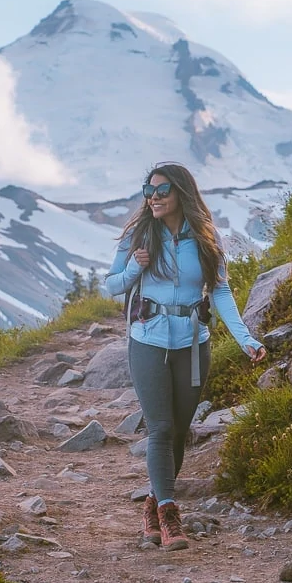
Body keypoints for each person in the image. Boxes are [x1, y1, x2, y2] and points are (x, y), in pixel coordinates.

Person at [104, 162, 266, 551]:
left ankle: (152, 505)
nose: (154, 198)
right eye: (149, 191)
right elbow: (110, 286)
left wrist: (245, 338)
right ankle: (170, 513)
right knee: (159, 429)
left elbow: (221, 291)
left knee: (179, 429)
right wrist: (131, 270)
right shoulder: (139, 235)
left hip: (193, 344)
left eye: (162, 191)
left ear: (181, 193)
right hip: (147, 340)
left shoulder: (206, 237)